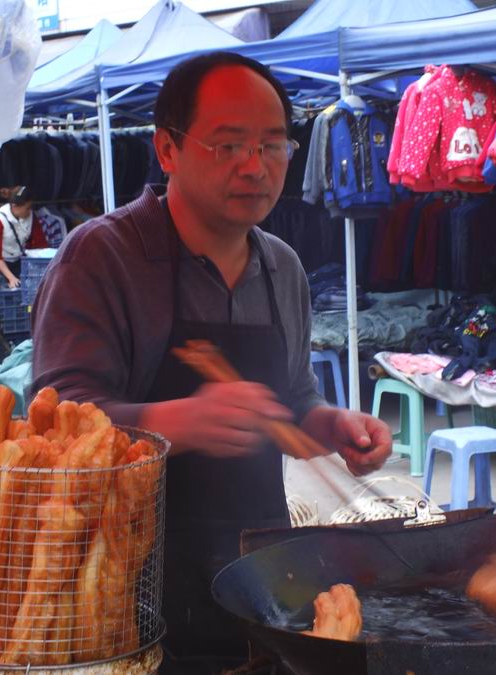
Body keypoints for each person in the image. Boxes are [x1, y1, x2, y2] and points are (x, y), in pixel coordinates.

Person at [31, 52, 392, 673]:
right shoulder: (103, 256)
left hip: (256, 573)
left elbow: (293, 401)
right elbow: (52, 424)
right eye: (228, 146)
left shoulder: (283, 266)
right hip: (123, 585)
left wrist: (327, 426)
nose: (256, 167)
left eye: (274, 146)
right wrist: (178, 421)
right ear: (167, 149)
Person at [0, 185, 48, 288]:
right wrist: (11, 277)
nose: (29, 211)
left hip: (16, 259)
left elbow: (41, 243)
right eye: (27, 208)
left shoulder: (31, 216)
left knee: (21, 291)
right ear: (14, 206)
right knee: (3, 292)